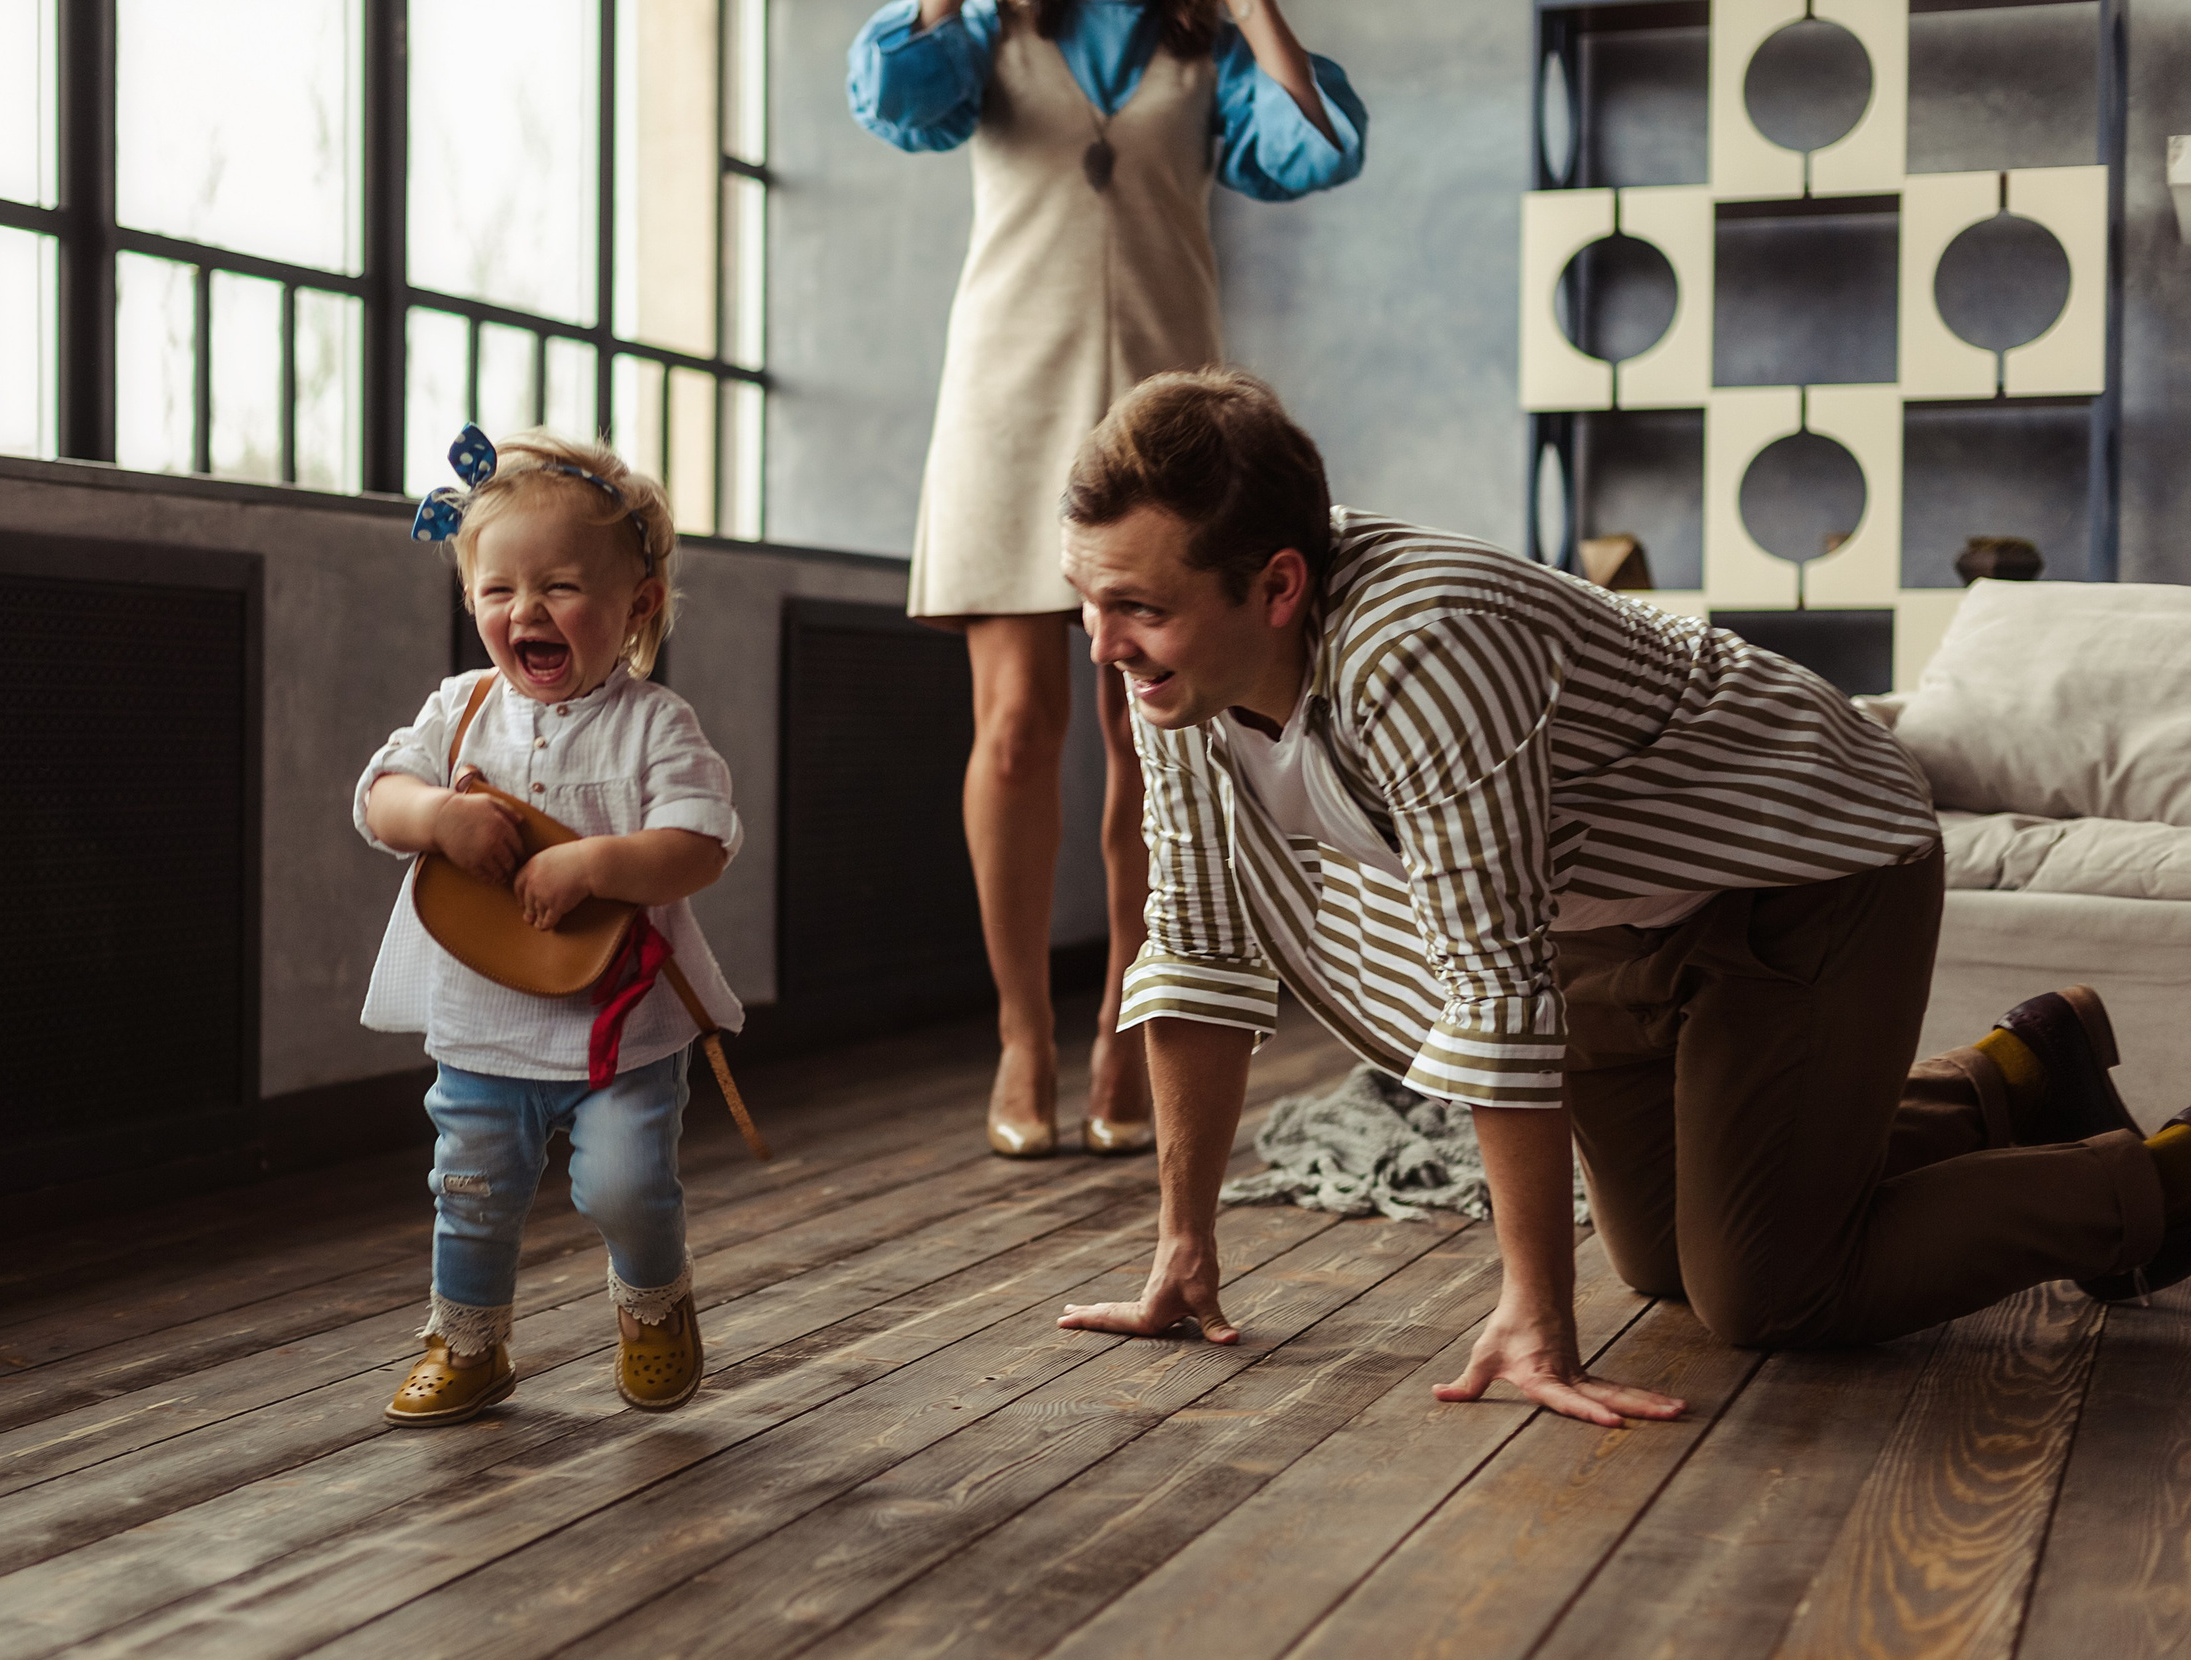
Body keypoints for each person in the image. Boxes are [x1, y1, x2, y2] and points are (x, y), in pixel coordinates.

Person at [1052, 368, 2191, 1425]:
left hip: (1799, 860)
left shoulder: (1420, 648)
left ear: (1277, 586)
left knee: (1769, 1290)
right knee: (1660, 1259)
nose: (1103, 644)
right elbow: (1195, 946)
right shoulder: (1185, 673)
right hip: (1609, 916)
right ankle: (2015, 1075)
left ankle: (2157, 1186)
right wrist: (1184, 1245)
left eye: (1137, 607)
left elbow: (1493, 986)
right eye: (1088, 602)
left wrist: (1537, 1317)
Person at [848, 0, 1367, 1159]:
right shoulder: (987, 30)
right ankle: (1021, 1036)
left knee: (1154, 748)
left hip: (1166, 431)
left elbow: (1319, 146)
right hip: (1004, 408)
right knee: (1014, 731)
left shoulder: (1206, 52)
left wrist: (1255, 11)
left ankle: (1128, 1026)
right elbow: (898, 98)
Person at [354, 428, 746, 1424]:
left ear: (637, 604)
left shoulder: (655, 725)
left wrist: (596, 863)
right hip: (484, 1023)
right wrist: (435, 816)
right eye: (498, 590)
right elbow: (379, 797)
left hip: (622, 1028)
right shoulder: (462, 709)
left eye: (560, 587)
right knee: (471, 1192)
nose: (525, 610)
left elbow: (701, 842)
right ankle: (468, 1341)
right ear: (471, 599)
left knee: (626, 1185)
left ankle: (652, 1304)